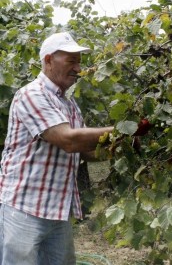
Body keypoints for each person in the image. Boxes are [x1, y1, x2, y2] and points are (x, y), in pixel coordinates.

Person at [0, 32, 114, 265]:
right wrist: (121, 131)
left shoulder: (69, 104)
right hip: (24, 209)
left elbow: (86, 151)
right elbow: (68, 139)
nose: (78, 68)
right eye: (71, 61)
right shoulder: (32, 95)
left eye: (79, 61)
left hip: (57, 210)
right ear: (49, 60)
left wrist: (120, 146)